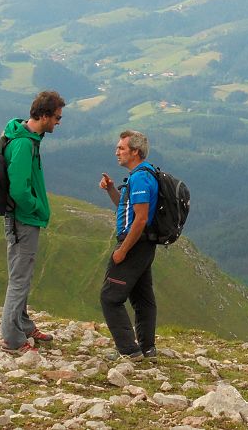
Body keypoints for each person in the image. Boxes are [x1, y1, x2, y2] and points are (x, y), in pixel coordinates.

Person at [0, 90, 66, 354]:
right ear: (44, 116)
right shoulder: (24, 144)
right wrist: (37, 207)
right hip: (23, 220)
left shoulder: (29, 139)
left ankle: (24, 325)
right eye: (57, 117)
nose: (58, 122)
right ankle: (12, 339)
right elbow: (18, 190)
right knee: (19, 279)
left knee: (23, 277)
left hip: (23, 220)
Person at [99, 130, 159, 362]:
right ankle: (147, 348)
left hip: (134, 244)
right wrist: (111, 190)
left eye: (121, 148)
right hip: (144, 245)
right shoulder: (142, 175)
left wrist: (123, 250)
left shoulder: (141, 178)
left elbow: (141, 219)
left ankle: (128, 350)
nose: (117, 152)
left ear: (135, 151)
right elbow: (127, 210)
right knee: (142, 297)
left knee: (110, 297)